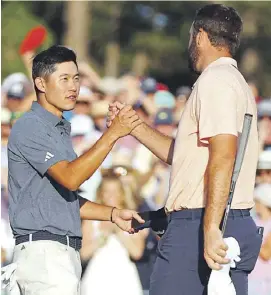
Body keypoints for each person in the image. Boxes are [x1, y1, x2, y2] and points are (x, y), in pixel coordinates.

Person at [107, 4, 262, 295]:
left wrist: (211, 228)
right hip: (218, 220)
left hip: (202, 226)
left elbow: (224, 154)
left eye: (192, 36)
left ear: (200, 36)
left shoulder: (216, 81)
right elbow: (186, 158)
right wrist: (134, 126)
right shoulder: (233, 82)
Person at [6, 45, 144, 295]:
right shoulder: (31, 126)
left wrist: (112, 214)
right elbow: (71, 178)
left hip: (57, 255)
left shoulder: (57, 129)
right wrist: (113, 134)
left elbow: (64, 200)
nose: (74, 87)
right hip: (45, 254)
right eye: (64, 78)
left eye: (77, 78)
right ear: (41, 83)